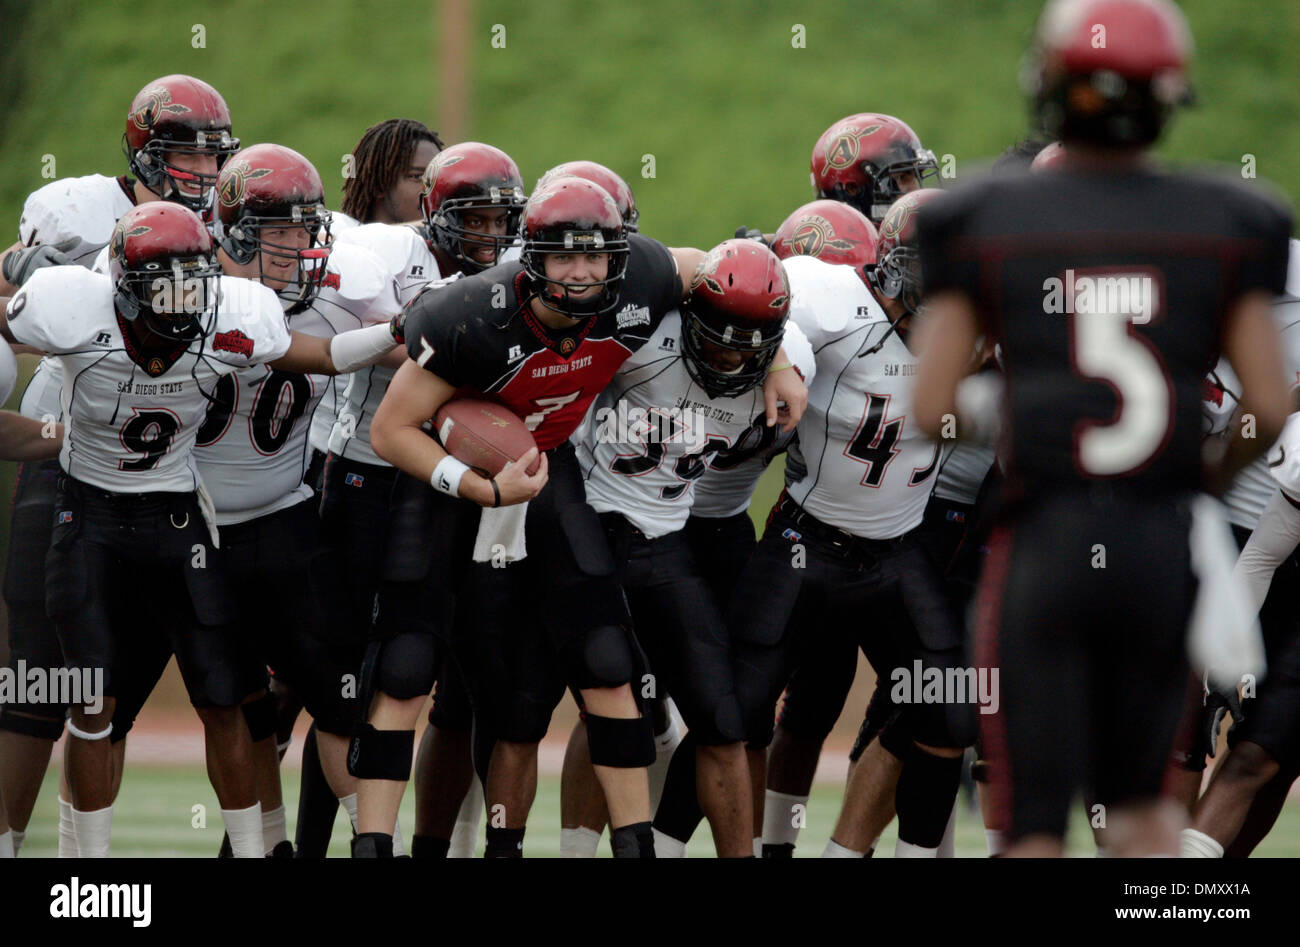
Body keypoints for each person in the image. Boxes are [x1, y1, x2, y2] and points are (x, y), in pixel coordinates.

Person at [913, 0, 1292, 857]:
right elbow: (1266, 406)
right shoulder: (1231, 220)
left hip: (1044, 539)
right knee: (1143, 815)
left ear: (1049, 85)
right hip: (1160, 542)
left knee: (1031, 825)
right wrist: (1201, 478)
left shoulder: (981, 214)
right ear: (1168, 97)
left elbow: (930, 404)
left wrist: (1031, 417)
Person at [362, 175, 806, 857]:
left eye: (595, 256)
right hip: (452, 485)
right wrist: (473, 485)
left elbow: (713, 274)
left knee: (606, 658)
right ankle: (380, 847)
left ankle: (635, 846)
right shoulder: (471, 312)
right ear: (530, 255)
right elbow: (392, 429)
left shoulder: (642, 285)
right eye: (563, 256)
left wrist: (775, 357)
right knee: (410, 665)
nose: (579, 272)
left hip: (548, 479)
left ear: (619, 258)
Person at [0, 201, 400, 857]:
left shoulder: (234, 313)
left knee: (222, 696)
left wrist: (397, 330)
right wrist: (20, 265)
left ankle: (249, 850)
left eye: (191, 287)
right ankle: (85, 868)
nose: (179, 306)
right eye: (162, 291)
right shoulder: (70, 304)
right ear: (120, 290)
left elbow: (324, 354)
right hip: (90, 518)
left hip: (175, 514)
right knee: (93, 704)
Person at [0, 73, 239, 859]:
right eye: (185, 155)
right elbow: (15, 290)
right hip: (73, 460)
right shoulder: (76, 213)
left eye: (214, 158)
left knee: (138, 690)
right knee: (44, 684)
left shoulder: (235, 225)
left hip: (183, 475)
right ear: (142, 150)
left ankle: (89, 858)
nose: (203, 174)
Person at [575, 238, 815, 856]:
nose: (733, 354)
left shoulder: (785, 363)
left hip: (664, 542)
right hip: (581, 530)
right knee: (544, 709)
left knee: (725, 722)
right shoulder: (646, 327)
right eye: (719, 335)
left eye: (753, 343)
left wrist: (782, 359)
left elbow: (767, 336)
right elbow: (674, 262)